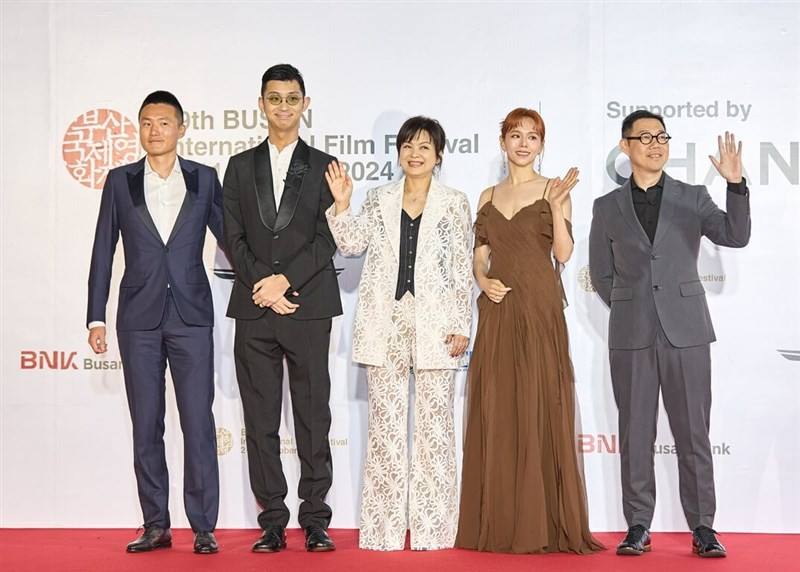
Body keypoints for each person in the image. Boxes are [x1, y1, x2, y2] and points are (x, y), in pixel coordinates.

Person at [589, 110, 750, 558]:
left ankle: (703, 528)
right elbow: (601, 274)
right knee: (635, 433)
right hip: (632, 333)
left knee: (693, 433)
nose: (655, 144)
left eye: (662, 136)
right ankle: (638, 526)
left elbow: (736, 236)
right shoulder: (606, 207)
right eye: (644, 137)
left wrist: (735, 186)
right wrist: (630, 303)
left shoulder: (693, 197)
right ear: (626, 147)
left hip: (687, 331)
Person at [456, 107, 603, 554]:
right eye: (515, 135)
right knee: (499, 408)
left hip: (539, 308)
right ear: (502, 142)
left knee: (540, 405)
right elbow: (480, 255)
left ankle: (543, 523)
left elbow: (563, 253)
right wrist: (482, 281)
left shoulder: (553, 190)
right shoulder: (486, 195)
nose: (523, 143)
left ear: (541, 144)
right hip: (498, 309)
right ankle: (500, 522)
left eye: (533, 136)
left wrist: (558, 210)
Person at [324, 116, 472, 551]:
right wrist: (342, 205)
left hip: (438, 326)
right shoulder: (378, 198)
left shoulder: (455, 202)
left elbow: (461, 268)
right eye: (408, 145)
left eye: (424, 146)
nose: (415, 153)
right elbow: (351, 246)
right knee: (386, 431)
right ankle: (383, 531)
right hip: (384, 324)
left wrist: (462, 325)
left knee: (435, 431)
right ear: (399, 152)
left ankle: (434, 528)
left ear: (438, 155)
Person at [87, 90, 223, 554]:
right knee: (146, 423)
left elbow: (232, 239)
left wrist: (269, 277)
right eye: (146, 122)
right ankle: (156, 523)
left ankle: (204, 525)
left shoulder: (204, 179)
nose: (154, 130)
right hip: (137, 318)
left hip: (192, 316)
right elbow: (104, 249)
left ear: (181, 128)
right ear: (139, 128)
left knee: (198, 423)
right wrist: (94, 318)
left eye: (164, 122)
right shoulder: (120, 181)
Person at [223, 63, 342, 553]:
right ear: (261, 104)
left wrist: (285, 281)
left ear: (305, 105)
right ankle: (272, 519)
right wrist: (264, 286)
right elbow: (232, 236)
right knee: (262, 420)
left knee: (314, 417)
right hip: (254, 310)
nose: (283, 107)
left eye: (292, 99)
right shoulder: (238, 166)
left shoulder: (324, 166)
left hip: (308, 307)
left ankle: (315, 519)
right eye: (275, 98)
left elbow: (327, 236)